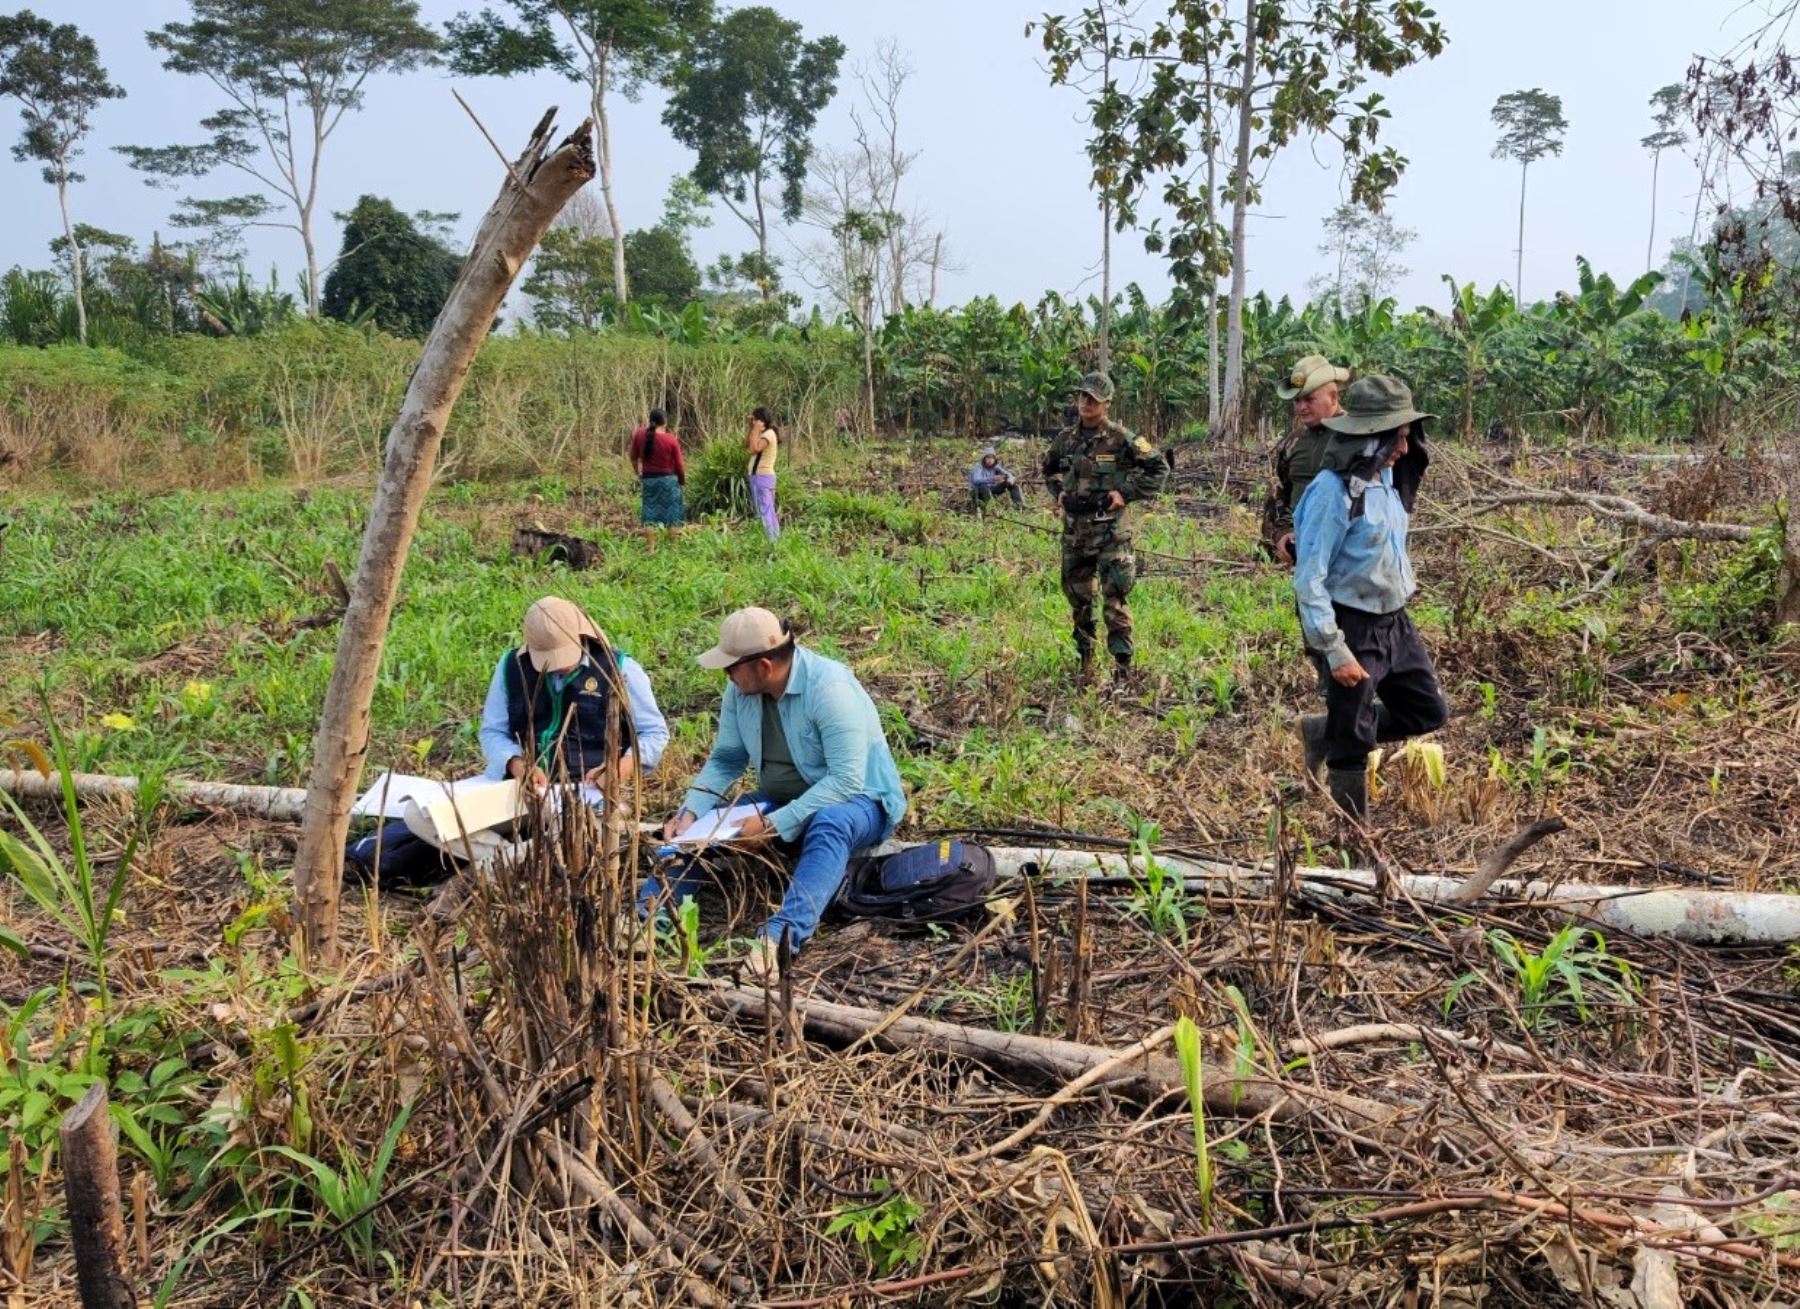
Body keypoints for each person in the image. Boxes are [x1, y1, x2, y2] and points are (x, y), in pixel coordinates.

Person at [642, 607, 907, 980]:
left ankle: (779, 938)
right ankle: (649, 918)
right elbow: (726, 759)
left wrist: (773, 823)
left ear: (764, 666)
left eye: (731, 667)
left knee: (830, 824)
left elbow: (846, 780)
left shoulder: (830, 690)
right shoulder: (741, 691)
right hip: (783, 798)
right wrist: (690, 811)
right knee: (704, 825)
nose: (727, 676)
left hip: (860, 801)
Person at [1292, 375, 1448, 820]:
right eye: (1396, 438)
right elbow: (1309, 578)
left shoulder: (1387, 479)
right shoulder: (1331, 491)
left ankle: (1328, 731)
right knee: (1353, 744)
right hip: (1352, 624)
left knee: (1427, 710)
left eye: (1406, 437)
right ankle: (1352, 838)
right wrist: (1334, 649)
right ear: (1371, 436)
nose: (1404, 448)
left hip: (1394, 621)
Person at [1041, 371, 1169, 684]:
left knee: (1114, 603)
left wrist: (1124, 493)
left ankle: (1123, 671)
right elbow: (1048, 469)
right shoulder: (1065, 439)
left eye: (1093, 399)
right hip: (1075, 534)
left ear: (1107, 403)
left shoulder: (1123, 438)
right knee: (1080, 603)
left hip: (1111, 534)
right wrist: (1058, 490)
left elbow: (1158, 467)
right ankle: (1085, 664)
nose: (1086, 403)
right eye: (1083, 397)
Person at [479, 596, 669, 789]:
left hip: (590, 789)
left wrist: (620, 768)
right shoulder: (511, 667)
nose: (559, 665)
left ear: (581, 635)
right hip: (524, 790)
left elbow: (654, 732)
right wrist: (516, 763)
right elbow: (493, 731)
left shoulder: (619, 669)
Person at [1261, 354, 1350, 565]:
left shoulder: (1356, 439)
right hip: (1300, 546)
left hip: (1344, 550)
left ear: (1334, 397)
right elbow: (1281, 492)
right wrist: (1283, 533)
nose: (1301, 407)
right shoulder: (1293, 442)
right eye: (1297, 401)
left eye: (1309, 399)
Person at [630, 408, 686, 527]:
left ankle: (650, 546)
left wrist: (638, 473)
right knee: (673, 516)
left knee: (649, 515)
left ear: (650, 420)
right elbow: (679, 465)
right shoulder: (671, 439)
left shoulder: (639, 435)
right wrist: (681, 482)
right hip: (669, 482)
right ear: (665, 422)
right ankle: (673, 545)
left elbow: (633, 458)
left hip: (649, 481)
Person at [747, 406, 781, 540]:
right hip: (761, 477)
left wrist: (755, 429)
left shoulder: (768, 434)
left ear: (762, 420)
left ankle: (771, 541)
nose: (753, 422)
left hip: (762, 477)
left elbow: (754, 449)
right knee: (767, 510)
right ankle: (773, 539)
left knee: (764, 511)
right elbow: (748, 446)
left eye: (755, 419)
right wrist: (752, 428)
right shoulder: (765, 434)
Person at [969, 446, 1025, 510]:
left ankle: (1019, 505)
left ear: (994, 459)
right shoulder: (978, 467)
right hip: (977, 491)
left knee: (1012, 485)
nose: (990, 460)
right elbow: (976, 480)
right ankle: (990, 508)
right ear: (984, 458)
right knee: (983, 486)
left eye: (992, 458)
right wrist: (992, 479)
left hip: (991, 489)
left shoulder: (995, 466)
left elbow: (1007, 473)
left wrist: (1010, 478)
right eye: (988, 457)